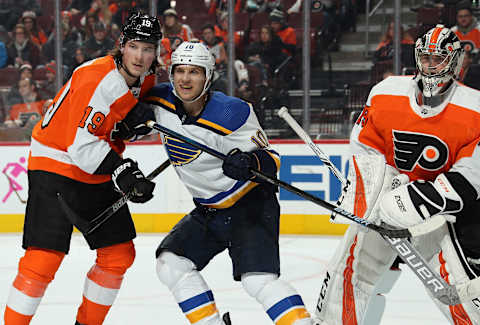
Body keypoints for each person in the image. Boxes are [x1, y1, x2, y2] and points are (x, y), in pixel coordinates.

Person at [114, 41, 314, 325]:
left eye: (194, 72)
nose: (185, 79)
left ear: (208, 76)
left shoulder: (233, 112)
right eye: (179, 71)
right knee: (170, 263)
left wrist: (249, 164)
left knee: (258, 280)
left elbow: (272, 159)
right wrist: (130, 125)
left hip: (251, 205)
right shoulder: (158, 100)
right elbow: (128, 116)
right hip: (209, 210)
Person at [313, 25, 480, 325]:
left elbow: (471, 175)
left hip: (437, 215)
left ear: (454, 62)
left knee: (460, 292)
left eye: (439, 59)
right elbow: (365, 145)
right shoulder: (385, 92)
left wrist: (417, 200)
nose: (431, 66)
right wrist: (378, 191)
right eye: (426, 58)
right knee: (348, 275)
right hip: (385, 201)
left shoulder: (474, 108)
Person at [3, 12, 161, 325]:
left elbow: (118, 124)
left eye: (148, 48)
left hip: (94, 166)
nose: (140, 56)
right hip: (55, 161)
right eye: (134, 47)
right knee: (43, 259)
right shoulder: (97, 78)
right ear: (121, 46)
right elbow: (81, 145)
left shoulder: (146, 79)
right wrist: (123, 170)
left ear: (156, 51)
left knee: (118, 254)